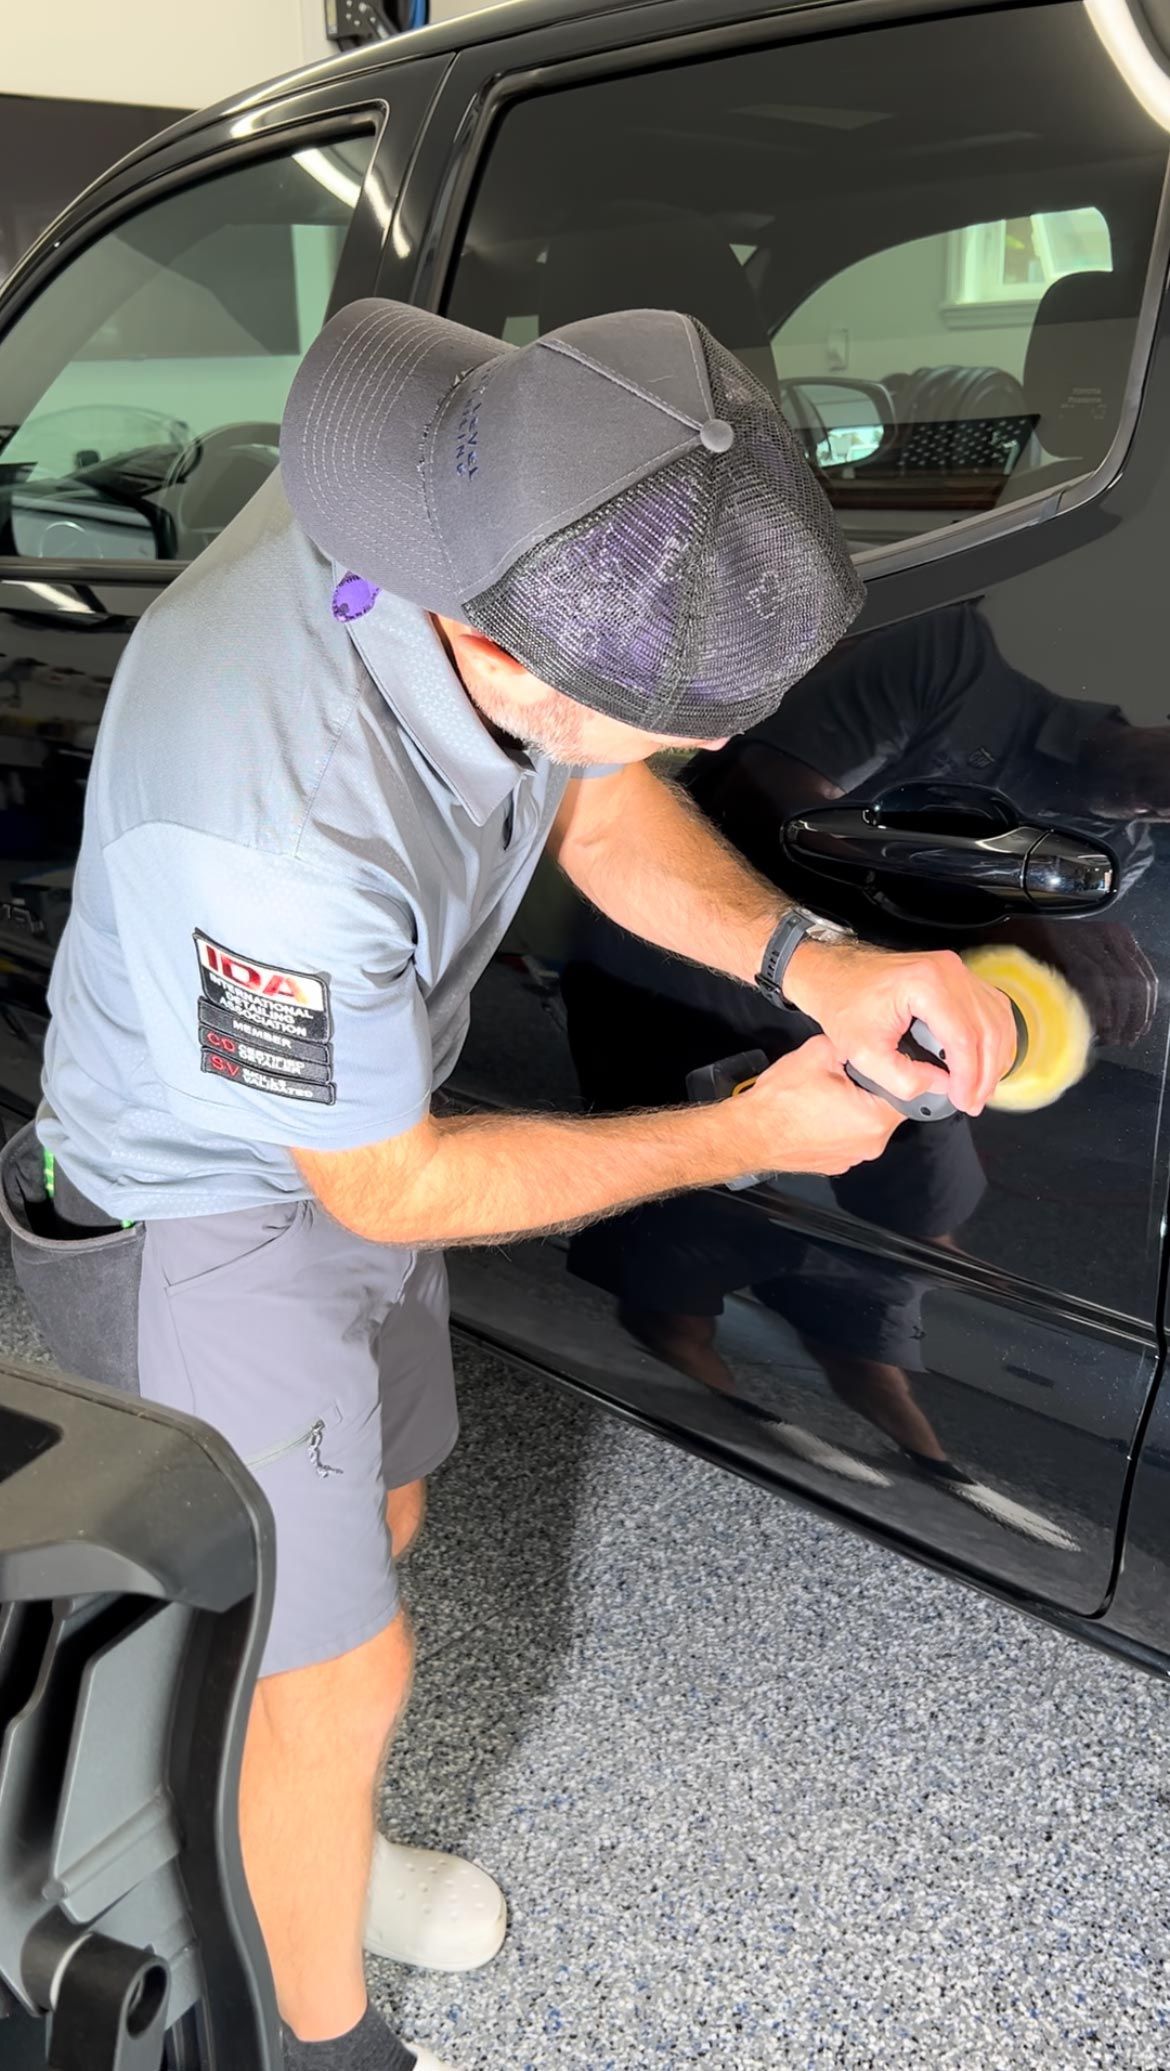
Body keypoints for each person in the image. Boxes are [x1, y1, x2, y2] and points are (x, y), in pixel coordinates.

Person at [0, 300, 1015, 2071]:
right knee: (336, 1664)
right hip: (208, 1205)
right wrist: (744, 1134)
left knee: (381, 1524)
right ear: (502, 646)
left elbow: (586, 800)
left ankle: (309, 1840)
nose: (691, 757)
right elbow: (389, 1187)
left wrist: (814, 961)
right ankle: (313, 2043)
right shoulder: (277, 832)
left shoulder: (502, 485)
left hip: (363, 1130)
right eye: (665, 724)